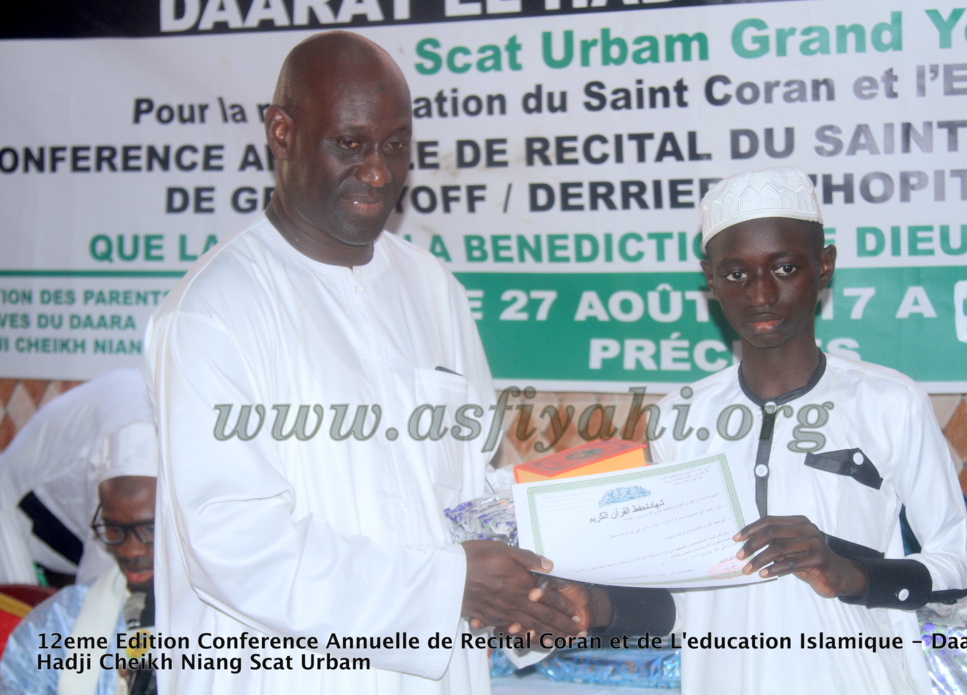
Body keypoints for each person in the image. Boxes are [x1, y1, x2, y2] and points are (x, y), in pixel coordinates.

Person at [143, 31, 582, 695]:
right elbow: (238, 550)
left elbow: (474, 488)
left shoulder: (436, 289)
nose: (379, 171)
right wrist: (452, 584)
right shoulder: (212, 311)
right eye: (350, 144)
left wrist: (530, 582)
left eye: (396, 145)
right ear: (282, 133)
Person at [573, 167, 967, 693]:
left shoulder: (889, 402)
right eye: (737, 274)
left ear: (824, 265)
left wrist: (845, 570)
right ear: (710, 280)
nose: (761, 293)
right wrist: (594, 606)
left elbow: (958, 571)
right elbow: (680, 600)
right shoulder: (680, 415)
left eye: (785, 267)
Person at [0, 422, 159, 695]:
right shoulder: (58, 623)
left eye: (150, 529)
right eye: (115, 529)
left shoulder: (229, 620)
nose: (130, 551)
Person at [0, 369, 155, 587]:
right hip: (13, 510)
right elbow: (94, 594)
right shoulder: (110, 469)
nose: (132, 550)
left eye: (151, 528)